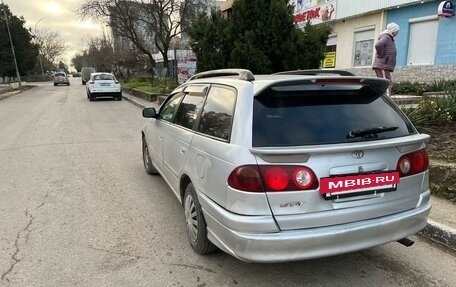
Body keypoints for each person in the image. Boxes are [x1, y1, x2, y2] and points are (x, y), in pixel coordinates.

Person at [372, 22, 399, 96]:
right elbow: (378, 45)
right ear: (393, 31)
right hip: (382, 63)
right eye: (397, 31)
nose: (397, 33)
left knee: (386, 81)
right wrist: (381, 55)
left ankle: (385, 96)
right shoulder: (386, 37)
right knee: (385, 81)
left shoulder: (389, 37)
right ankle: (385, 97)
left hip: (384, 63)